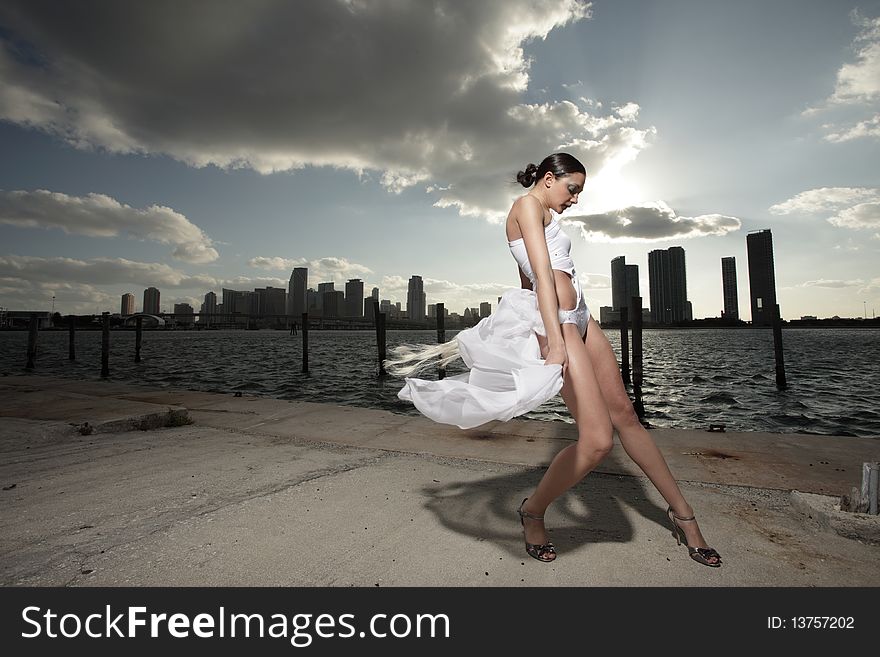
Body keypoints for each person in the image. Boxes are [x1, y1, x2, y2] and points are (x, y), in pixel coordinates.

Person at [385, 153, 721, 567]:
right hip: (560, 325)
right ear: (549, 178)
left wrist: (575, 318)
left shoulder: (545, 214)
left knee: (628, 417)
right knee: (597, 441)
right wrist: (555, 342)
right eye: (572, 189)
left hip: (581, 317)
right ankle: (533, 510)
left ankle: (685, 517)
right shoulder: (526, 206)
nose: (575, 199)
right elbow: (542, 276)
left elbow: (529, 278)